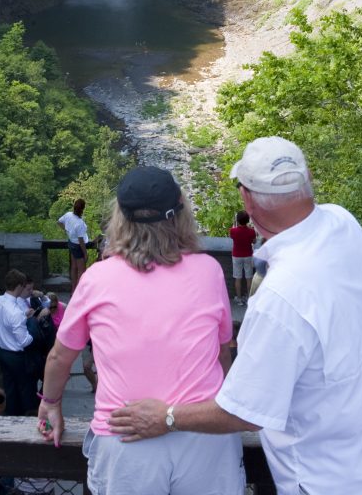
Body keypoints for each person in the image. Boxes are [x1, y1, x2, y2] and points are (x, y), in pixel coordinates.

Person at [109, 137, 362, 495]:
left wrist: (166, 417)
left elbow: (245, 411)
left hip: (334, 477)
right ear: (309, 180)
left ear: (246, 197)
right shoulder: (343, 223)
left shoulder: (280, 300)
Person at [38, 165, 245, 495]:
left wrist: (50, 403)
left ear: (119, 217)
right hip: (203, 435)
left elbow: (60, 357)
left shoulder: (97, 278)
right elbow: (222, 351)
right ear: (180, 213)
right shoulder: (209, 271)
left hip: (125, 440)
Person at [0, 268, 37, 415]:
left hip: (2, 352)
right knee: (25, 387)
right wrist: (32, 326)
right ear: (19, 286)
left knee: (9, 386)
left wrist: (24, 316)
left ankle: (11, 412)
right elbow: (24, 341)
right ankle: (24, 416)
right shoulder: (15, 312)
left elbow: (5, 322)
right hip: (16, 356)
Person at [58, 198, 89, 291]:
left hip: (71, 243)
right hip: (78, 246)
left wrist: (67, 230)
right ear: (83, 209)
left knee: (74, 267)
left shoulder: (68, 215)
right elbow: (81, 240)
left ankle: (73, 289)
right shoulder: (79, 223)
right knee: (82, 271)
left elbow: (59, 222)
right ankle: (79, 292)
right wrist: (85, 253)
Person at [229, 210, 256, 305]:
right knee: (249, 277)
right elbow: (254, 242)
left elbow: (232, 236)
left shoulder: (233, 231)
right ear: (248, 220)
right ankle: (249, 297)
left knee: (238, 277)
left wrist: (234, 224)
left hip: (236, 256)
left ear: (237, 220)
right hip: (248, 255)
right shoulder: (251, 231)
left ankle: (239, 298)